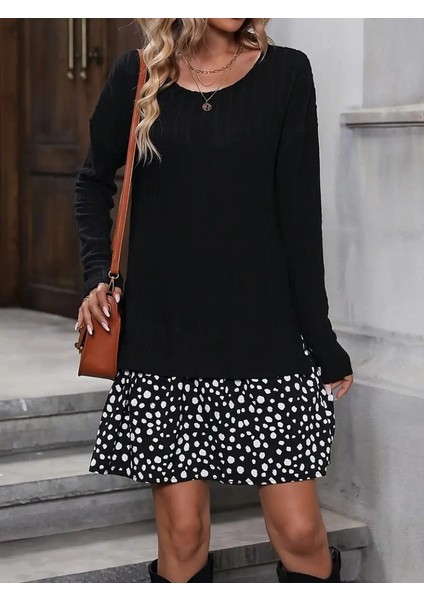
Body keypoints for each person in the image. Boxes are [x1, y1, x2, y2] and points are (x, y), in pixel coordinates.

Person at [74, 18, 354, 583]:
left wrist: (321, 339)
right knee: (183, 536)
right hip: (164, 336)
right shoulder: (138, 73)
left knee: (301, 532)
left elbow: (301, 217)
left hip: (265, 334)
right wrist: (98, 275)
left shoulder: (287, 73)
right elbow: (92, 181)